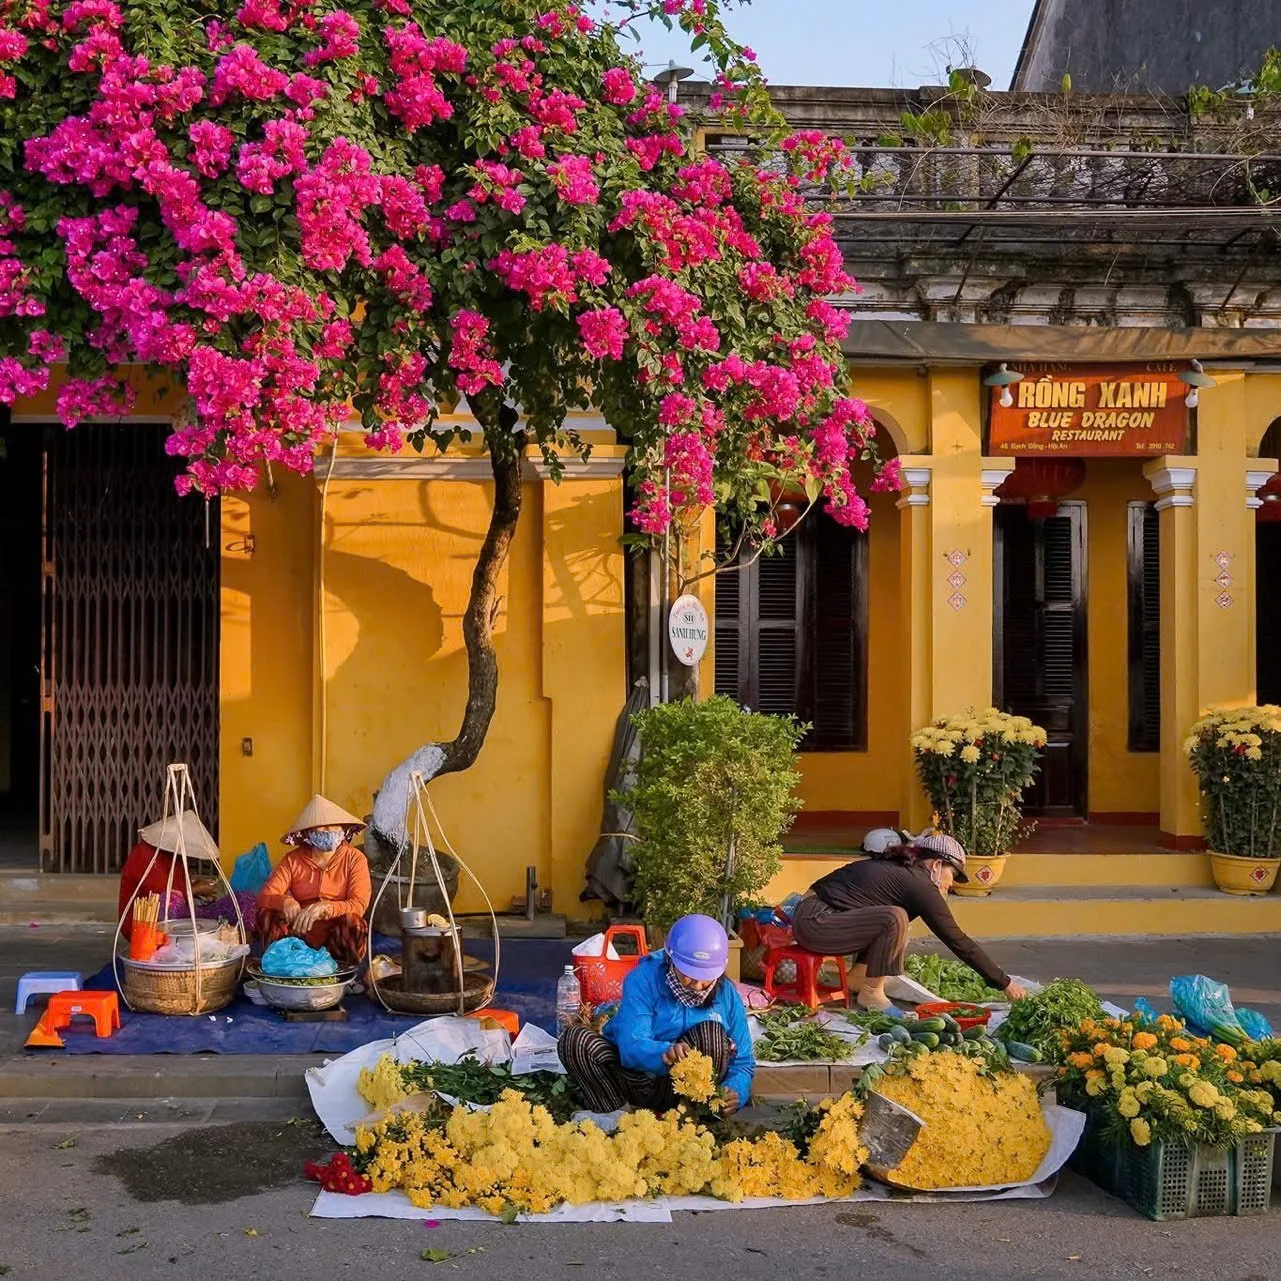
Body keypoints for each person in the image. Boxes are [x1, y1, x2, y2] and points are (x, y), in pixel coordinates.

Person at [792, 832, 1027, 1012]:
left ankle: (859, 978)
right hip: (816, 921)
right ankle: (871, 992)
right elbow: (957, 940)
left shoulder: (905, 874)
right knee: (895, 917)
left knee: (898, 917)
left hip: (817, 918)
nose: (951, 883)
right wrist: (1004, 983)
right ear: (936, 864)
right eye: (952, 875)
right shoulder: (918, 884)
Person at [558, 914, 754, 1115]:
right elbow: (631, 1045)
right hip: (634, 1081)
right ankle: (616, 1114)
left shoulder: (727, 994)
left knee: (711, 1033)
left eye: (705, 979)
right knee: (575, 1040)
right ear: (670, 957)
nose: (697, 985)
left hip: (682, 1093)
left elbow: (744, 1061)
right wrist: (663, 1053)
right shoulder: (643, 979)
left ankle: (695, 1118)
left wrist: (736, 1091)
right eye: (687, 975)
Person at [256, 795, 371, 969]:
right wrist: (285, 901)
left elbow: (359, 904)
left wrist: (327, 908)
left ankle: (344, 973)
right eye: (323, 826)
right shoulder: (292, 860)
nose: (329, 830)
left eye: (334, 826)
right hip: (301, 930)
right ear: (309, 832)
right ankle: (283, 968)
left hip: (336, 934)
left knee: (353, 922)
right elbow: (265, 896)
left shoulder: (355, 859)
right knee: (267, 914)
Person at [117, 811, 220, 941]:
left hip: (170, 918)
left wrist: (194, 885)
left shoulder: (173, 859)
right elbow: (163, 898)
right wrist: (195, 890)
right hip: (142, 924)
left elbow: (176, 885)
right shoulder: (146, 857)